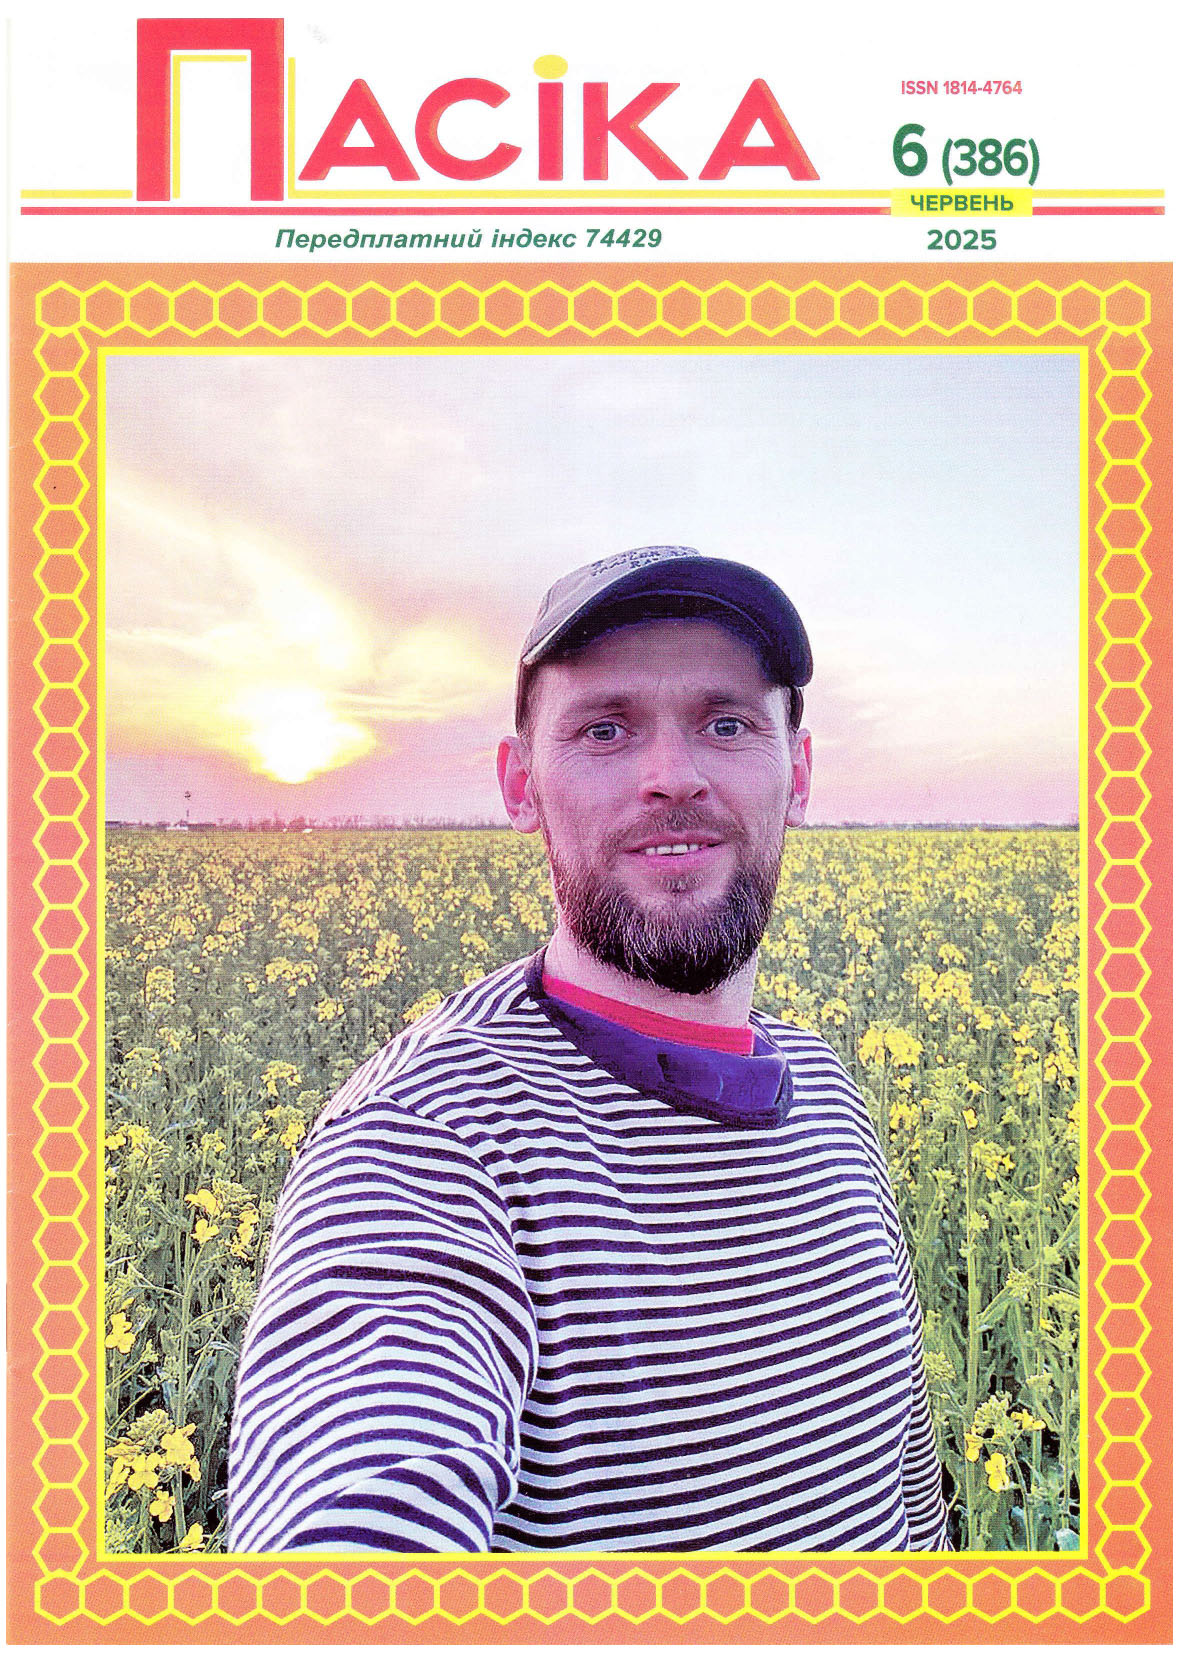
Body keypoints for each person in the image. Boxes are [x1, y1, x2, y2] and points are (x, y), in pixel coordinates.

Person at [227, 545, 951, 1554]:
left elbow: (906, 1497)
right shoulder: (424, 1143)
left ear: (798, 774)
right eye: (605, 728)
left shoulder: (826, 1088)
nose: (673, 778)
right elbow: (346, 1534)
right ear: (520, 785)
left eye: (727, 723)